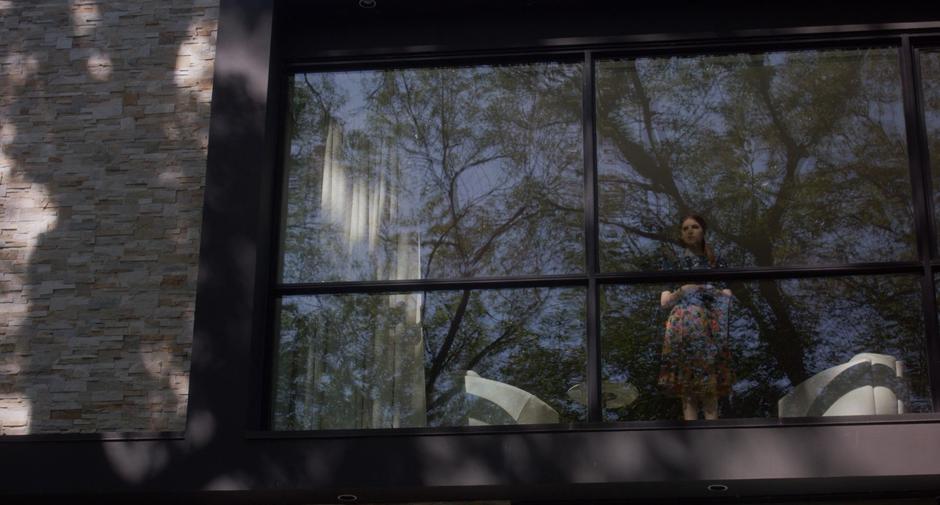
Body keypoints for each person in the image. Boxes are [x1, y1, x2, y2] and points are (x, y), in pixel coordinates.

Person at [658, 214, 732, 420]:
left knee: (709, 382)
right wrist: (683, 290)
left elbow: (727, 296)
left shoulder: (716, 261)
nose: (690, 231)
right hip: (682, 324)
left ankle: (712, 431)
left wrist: (703, 289)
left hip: (708, 324)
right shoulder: (673, 262)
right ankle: (691, 430)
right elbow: (664, 301)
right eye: (685, 228)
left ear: (703, 231)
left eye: (695, 226)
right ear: (681, 234)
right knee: (687, 384)